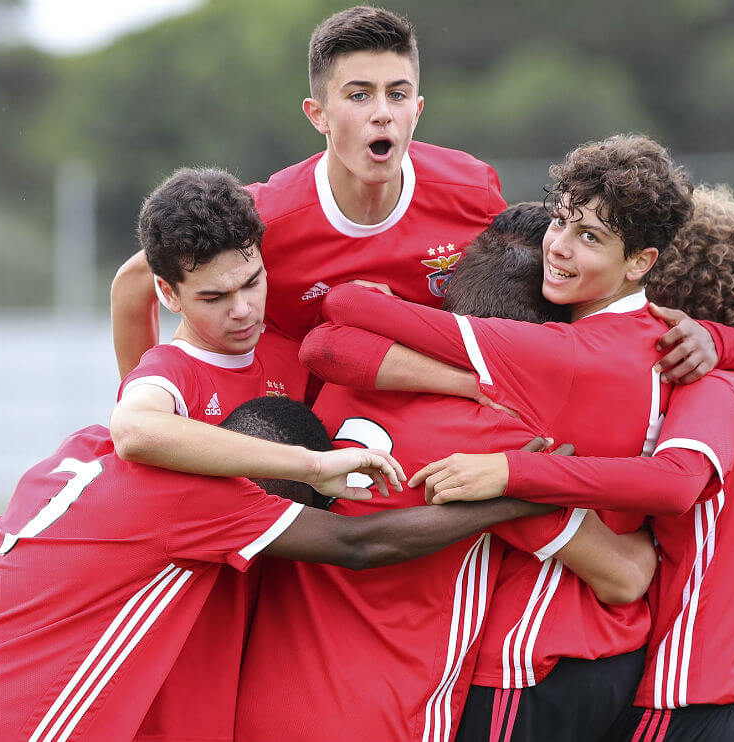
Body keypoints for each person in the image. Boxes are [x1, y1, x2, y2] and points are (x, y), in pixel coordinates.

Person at [307, 135, 734, 742]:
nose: (561, 246)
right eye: (562, 223)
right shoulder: (680, 353)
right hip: (622, 656)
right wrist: (721, 338)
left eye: (589, 237)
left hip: (532, 661)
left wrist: (491, 430)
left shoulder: (560, 354)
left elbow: (340, 316)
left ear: (644, 265)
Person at [0, 397, 560, 742]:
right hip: (8, 726)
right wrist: (520, 491)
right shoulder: (204, 502)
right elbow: (363, 545)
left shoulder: (95, 443)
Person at [108, 7, 721, 387]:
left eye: (398, 95)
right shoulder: (264, 215)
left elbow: (586, 274)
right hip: (300, 451)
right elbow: (137, 282)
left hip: (438, 442)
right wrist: (143, 401)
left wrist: (703, 336)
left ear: (418, 109)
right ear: (317, 114)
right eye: (358, 96)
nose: (382, 115)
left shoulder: (468, 189)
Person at [235, 220, 660, 742]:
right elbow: (623, 577)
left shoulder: (341, 390)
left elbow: (326, 344)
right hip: (389, 717)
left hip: (263, 704)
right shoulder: (498, 442)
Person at [109, 166, 399, 500]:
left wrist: (380, 315)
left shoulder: (294, 344)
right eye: (214, 297)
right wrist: (311, 466)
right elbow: (132, 429)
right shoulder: (170, 373)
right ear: (169, 293)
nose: (243, 310)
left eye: (252, 282)